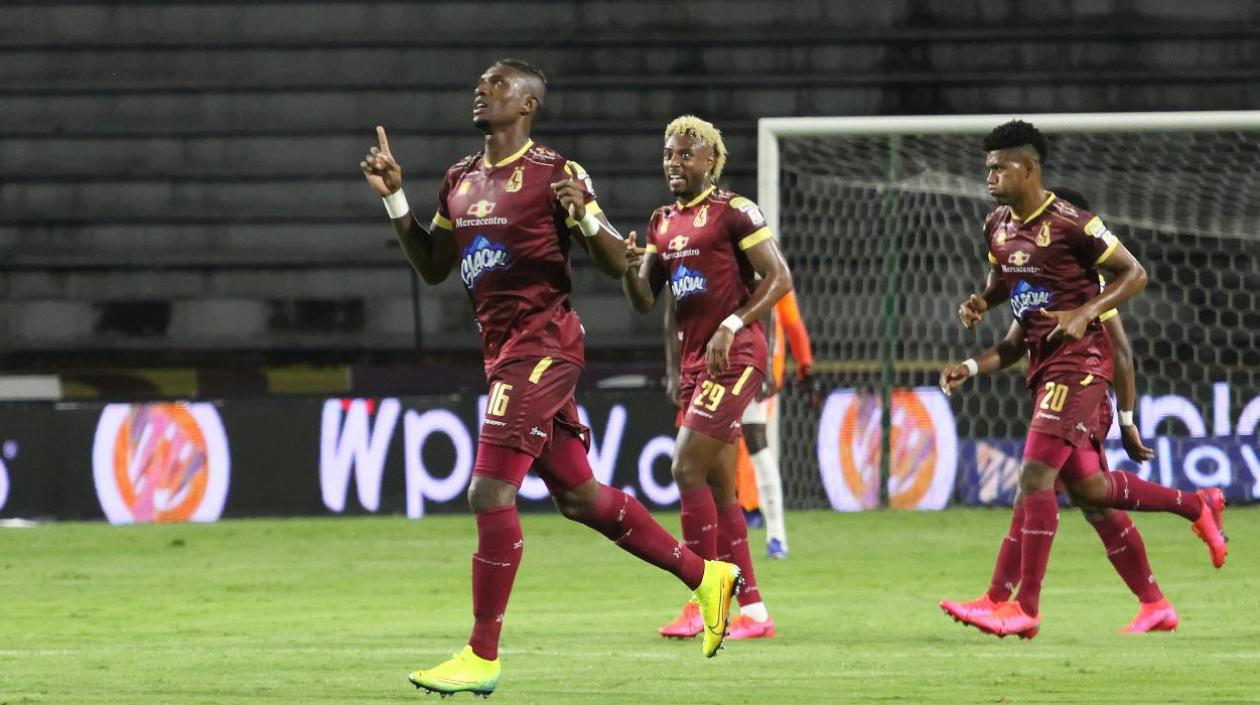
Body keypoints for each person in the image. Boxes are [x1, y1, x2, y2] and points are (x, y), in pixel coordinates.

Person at [360, 60, 741, 696]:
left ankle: (481, 655)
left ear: (528, 104)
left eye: (497, 84)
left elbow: (619, 263)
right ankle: (708, 578)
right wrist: (395, 198)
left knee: (489, 491)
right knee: (580, 497)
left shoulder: (557, 173)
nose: (482, 90)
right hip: (502, 352)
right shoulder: (459, 179)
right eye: (481, 84)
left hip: (543, 348)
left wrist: (585, 217)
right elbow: (432, 265)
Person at [940, 120, 1227, 639]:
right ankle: (1185, 528)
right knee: (1092, 493)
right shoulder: (996, 227)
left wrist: (1087, 317)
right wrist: (981, 305)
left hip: (1082, 368)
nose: (989, 176)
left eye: (999, 167)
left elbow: (1134, 277)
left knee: (1034, 479)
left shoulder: (1075, 227)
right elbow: (1006, 290)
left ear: (1029, 168)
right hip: (1046, 372)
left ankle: (1020, 606)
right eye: (987, 168)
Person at [943, 186, 1175, 633]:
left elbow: (1121, 352)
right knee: (1092, 498)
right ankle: (1160, 589)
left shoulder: (1088, 286)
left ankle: (1009, 604)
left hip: (1083, 390)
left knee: (1036, 483)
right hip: (1055, 386)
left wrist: (1127, 419)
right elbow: (1014, 343)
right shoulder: (1036, 282)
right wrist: (970, 364)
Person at [622, 115, 792, 642]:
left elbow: (780, 277)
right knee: (720, 487)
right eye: (668, 154)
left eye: (685, 154)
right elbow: (648, 300)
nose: (674, 162)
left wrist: (733, 324)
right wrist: (628, 267)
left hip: (736, 354)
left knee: (684, 466)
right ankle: (755, 611)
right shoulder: (661, 223)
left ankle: (703, 599)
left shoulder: (735, 212)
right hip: (697, 363)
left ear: (711, 161)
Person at [667, 290, 818, 559]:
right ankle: (707, 535)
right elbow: (673, 314)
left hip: (744, 360)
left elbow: (776, 311)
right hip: (702, 365)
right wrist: (674, 371)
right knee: (699, 452)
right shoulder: (689, 270)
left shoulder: (751, 267)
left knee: (756, 440)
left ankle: (776, 535)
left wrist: (774, 366)